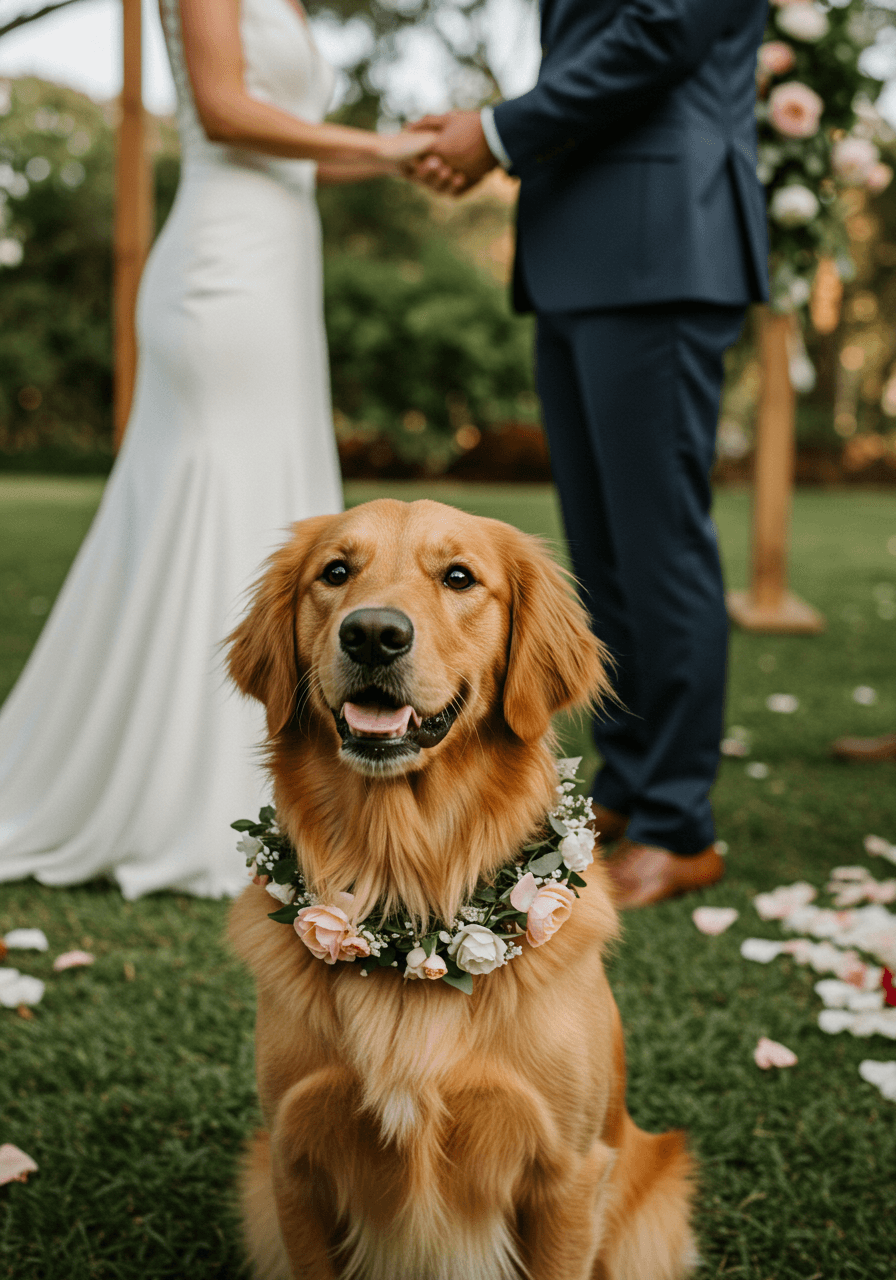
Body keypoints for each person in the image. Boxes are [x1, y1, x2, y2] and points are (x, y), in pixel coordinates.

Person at [0, 0, 433, 899]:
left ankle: (278, 774)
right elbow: (228, 110)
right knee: (209, 495)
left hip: (279, 260)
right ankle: (185, 792)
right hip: (223, 269)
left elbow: (297, 144)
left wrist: (405, 157)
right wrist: (391, 147)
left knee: (270, 492)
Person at [410, 0, 770, 907]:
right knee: (604, 549)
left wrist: (494, 131)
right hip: (582, 241)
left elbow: (662, 28)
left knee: (659, 547)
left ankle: (679, 824)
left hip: (664, 236)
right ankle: (628, 782)